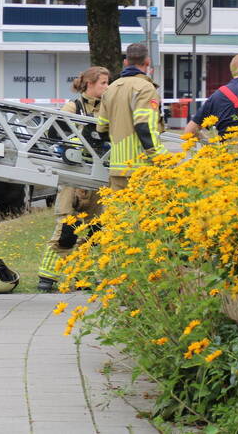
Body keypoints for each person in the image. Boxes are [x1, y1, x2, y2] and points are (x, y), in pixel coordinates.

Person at [37, 66, 110, 292]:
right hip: (74, 177)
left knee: (95, 231)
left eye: (108, 83)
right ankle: (46, 277)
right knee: (67, 228)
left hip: (98, 178)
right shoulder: (73, 107)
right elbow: (53, 135)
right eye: (103, 84)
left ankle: (85, 277)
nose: (107, 88)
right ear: (89, 84)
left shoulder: (107, 108)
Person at [96, 43, 166, 192]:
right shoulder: (146, 88)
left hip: (117, 168)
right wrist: (160, 157)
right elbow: (144, 126)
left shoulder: (111, 88)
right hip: (141, 169)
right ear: (147, 62)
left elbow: (101, 128)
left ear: (125, 63)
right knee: (144, 214)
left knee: (120, 213)